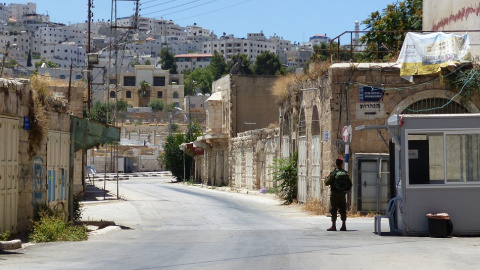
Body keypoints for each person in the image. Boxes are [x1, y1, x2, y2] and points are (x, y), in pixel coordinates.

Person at [324, 158, 352, 231]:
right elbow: (350, 184)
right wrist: (345, 190)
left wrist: (326, 177)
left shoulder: (333, 174)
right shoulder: (345, 173)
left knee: (334, 209)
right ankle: (343, 225)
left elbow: (326, 183)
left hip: (334, 194)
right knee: (343, 209)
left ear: (336, 164)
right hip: (342, 194)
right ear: (342, 164)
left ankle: (333, 226)